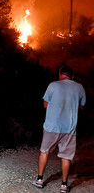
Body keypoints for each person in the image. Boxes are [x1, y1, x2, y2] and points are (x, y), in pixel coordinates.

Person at [32, 65, 86, 193]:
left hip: (52, 126)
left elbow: (45, 104)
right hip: (70, 128)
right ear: (72, 76)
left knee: (45, 152)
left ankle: (40, 180)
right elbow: (81, 107)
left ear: (60, 75)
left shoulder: (53, 85)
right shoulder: (80, 87)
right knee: (66, 157)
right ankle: (64, 186)